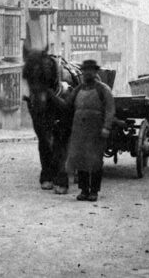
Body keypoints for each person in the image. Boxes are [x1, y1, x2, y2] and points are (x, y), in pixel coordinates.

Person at [58, 59, 116, 201]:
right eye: (85, 71)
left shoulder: (103, 90)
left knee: (95, 161)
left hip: (96, 131)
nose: (87, 73)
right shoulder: (78, 89)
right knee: (80, 160)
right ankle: (84, 190)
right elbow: (68, 106)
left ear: (95, 72)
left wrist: (106, 127)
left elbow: (110, 110)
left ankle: (94, 191)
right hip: (79, 131)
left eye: (90, 70)